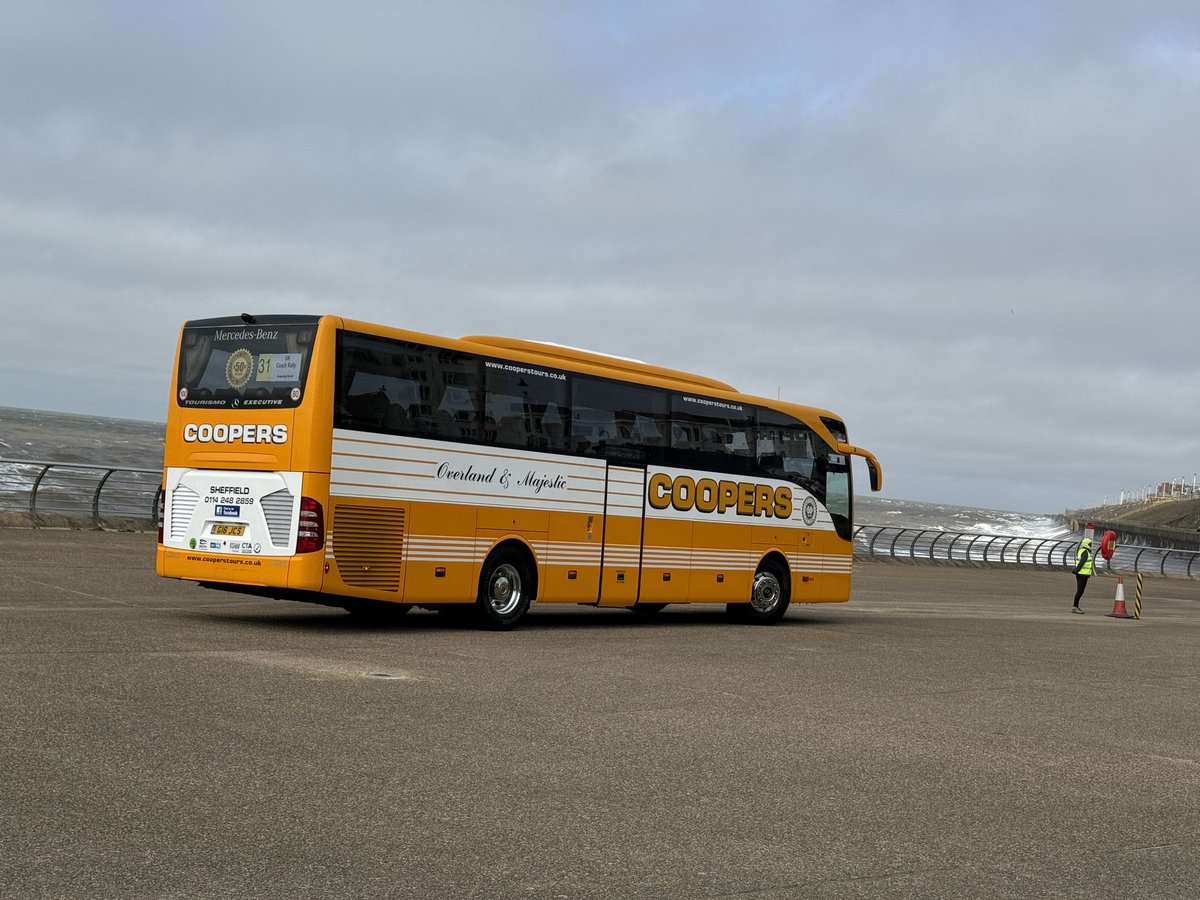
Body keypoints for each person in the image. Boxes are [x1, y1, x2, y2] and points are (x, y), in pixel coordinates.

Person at [1071, 536, 1094, 613]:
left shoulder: (1081, 550)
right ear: (1086, 544)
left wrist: (1076, 571)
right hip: (1082, 574)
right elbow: (1082, 562)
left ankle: (1075, 606)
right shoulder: (1085, 552)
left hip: (1081, 574)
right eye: (1090, 544)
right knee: (1080, 591)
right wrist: (1076, 570)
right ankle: (1075, 607)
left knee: (1080, 590)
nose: (1091, 545)